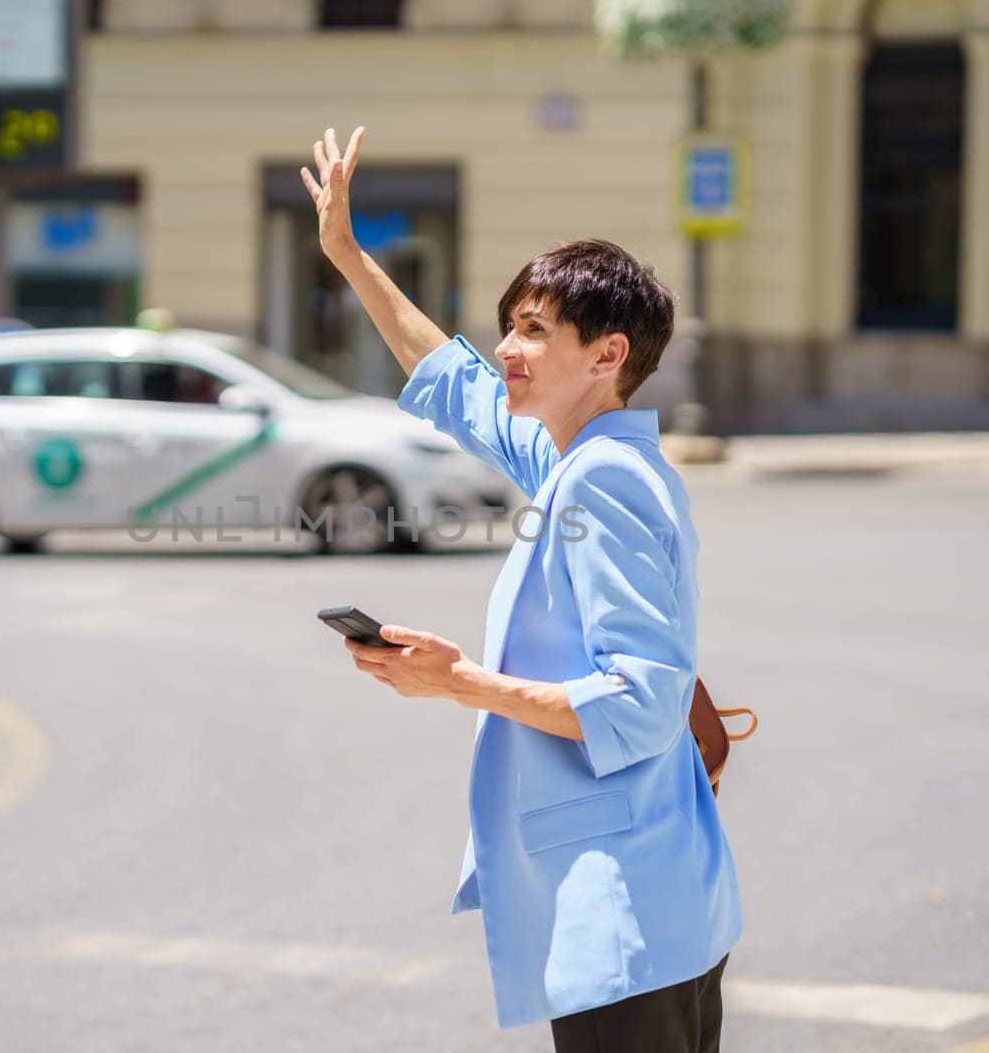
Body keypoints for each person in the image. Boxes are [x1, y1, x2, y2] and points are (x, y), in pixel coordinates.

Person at [305, 128, 741, 1050]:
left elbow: (642, 703)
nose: (507, 346)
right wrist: (347, 253)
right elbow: (447, 376)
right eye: (511, 324)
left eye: (534, 330)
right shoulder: (574, 453)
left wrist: (456, 679)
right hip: (645, 903)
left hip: (624, 914)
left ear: (608, 354)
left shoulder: (603, 480)